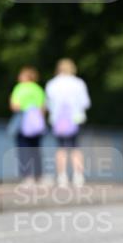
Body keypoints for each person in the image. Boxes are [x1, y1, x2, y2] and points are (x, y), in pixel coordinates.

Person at [45, 58, 91, 187]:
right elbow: (85, 103)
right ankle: (78, 176)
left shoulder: (52, 84)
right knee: (75, 147)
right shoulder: (78, 83)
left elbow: (48, 104)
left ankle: (62, 177)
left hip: (58, 120)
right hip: (76, 119)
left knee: (61, 148)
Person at [9, 66, 46, 184]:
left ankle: (27, 176)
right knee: (36, 150)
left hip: (23, 121)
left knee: (23, 149)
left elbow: (14, 106)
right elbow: (42, 109)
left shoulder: (19, 88)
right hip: (36, 123)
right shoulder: (38, 89)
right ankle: (38, 176)